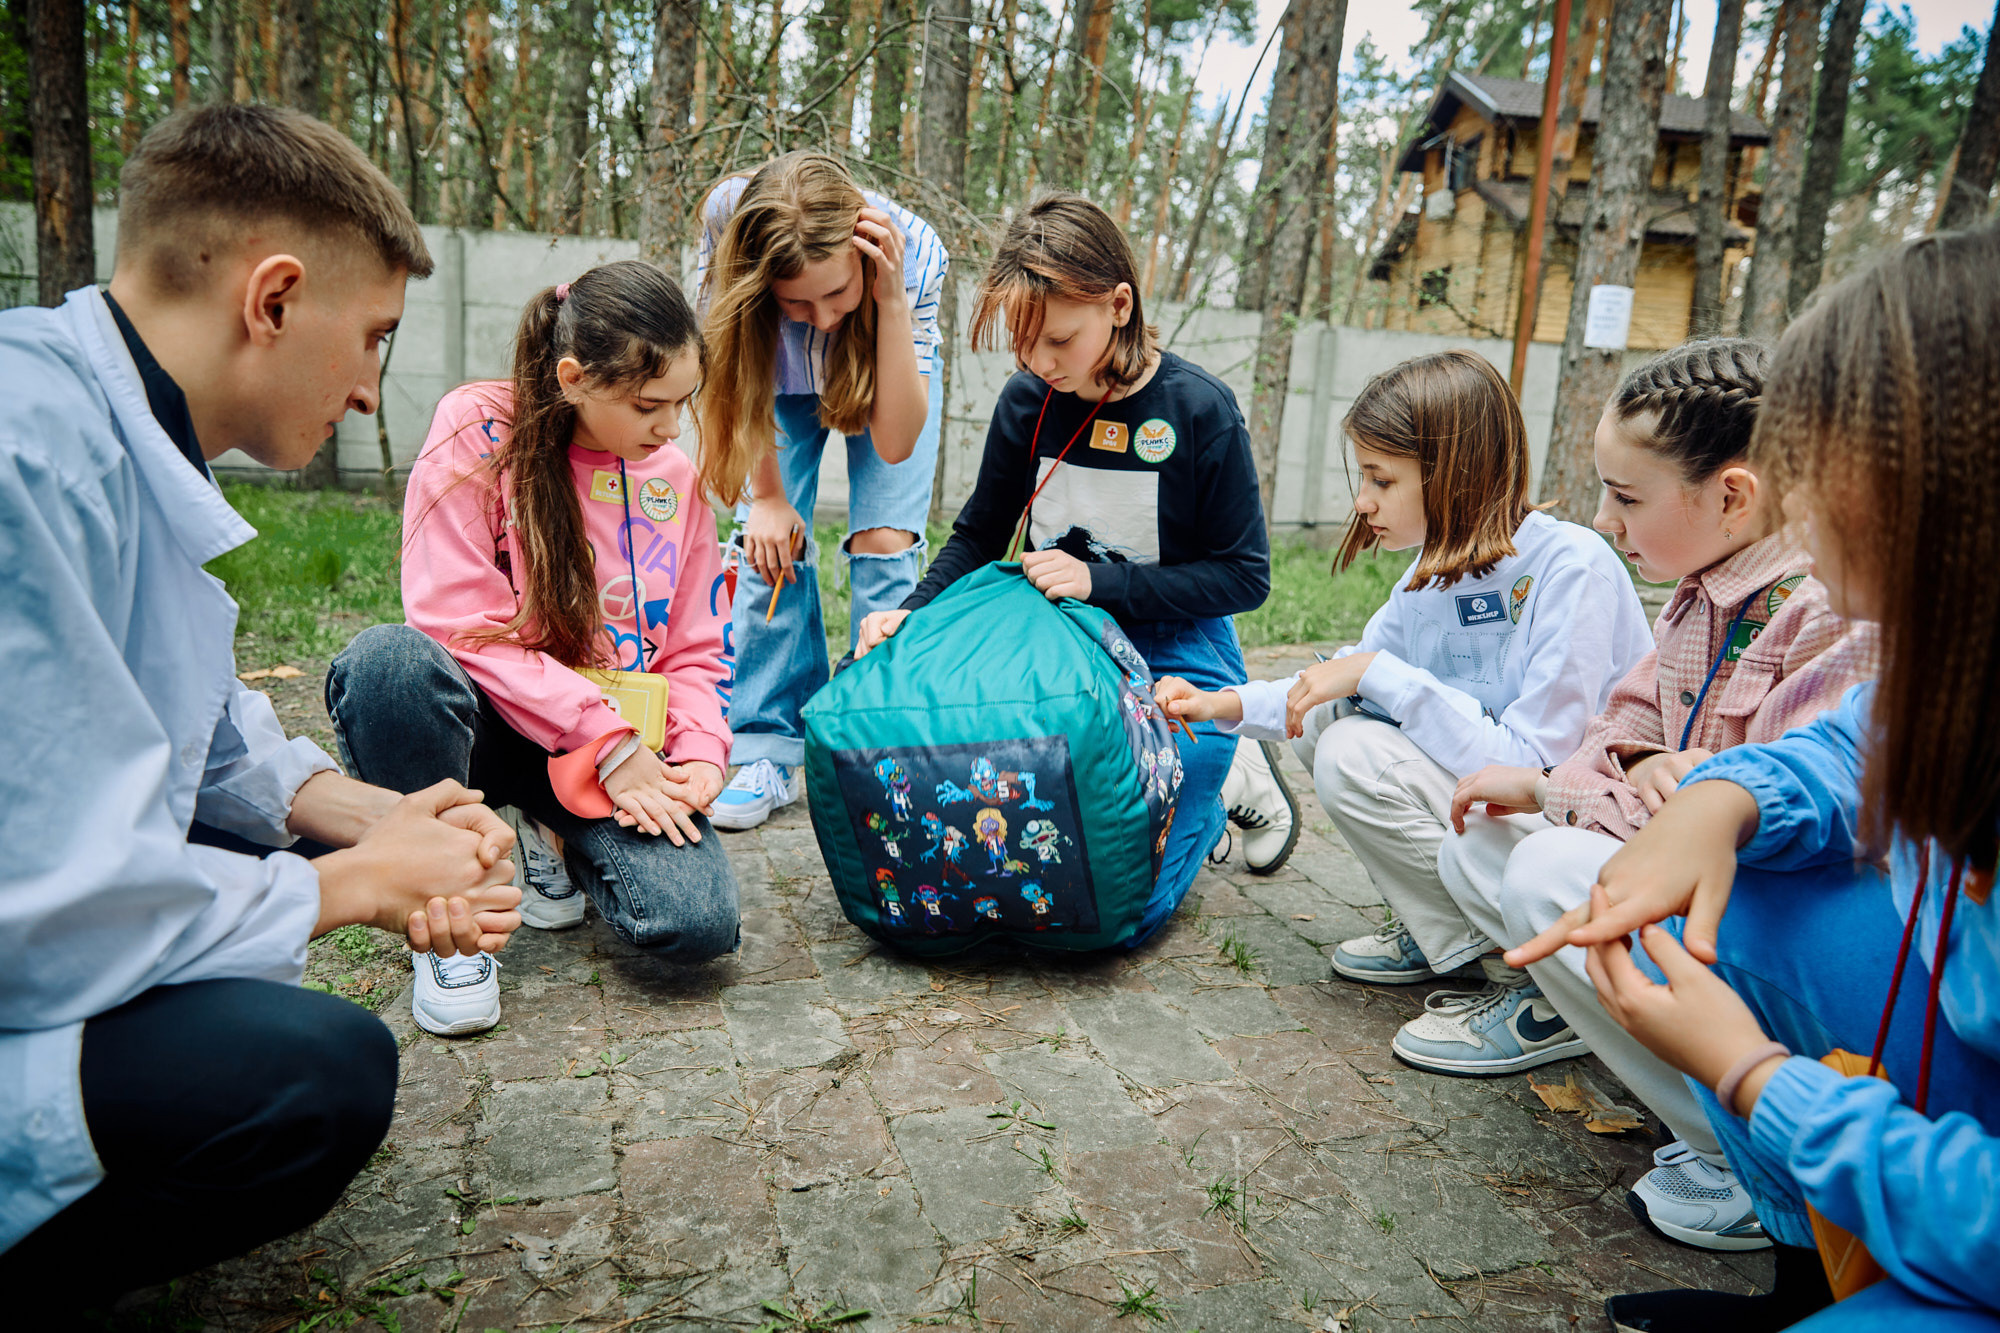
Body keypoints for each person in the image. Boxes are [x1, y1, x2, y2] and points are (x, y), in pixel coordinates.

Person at [0, 105, 522, 1303]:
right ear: (273, 299)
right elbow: (39, 915)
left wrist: (371, 816)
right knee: (310, 1078)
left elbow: (196, 718)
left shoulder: (111, 427)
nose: (365, 391)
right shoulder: (32, 455)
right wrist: (352, 888)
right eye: (373, 339)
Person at [1512, 227, 2000, 1333]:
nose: (1796, 511)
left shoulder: (1805, 608)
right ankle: (1801, 1279)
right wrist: (1722, 802)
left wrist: (1754, 1079)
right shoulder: (1952, 649)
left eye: (1817, 469)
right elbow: (1836, 753)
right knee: (1724, 894)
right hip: (1954, 1034)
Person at [1434, 340, 1876, 1253]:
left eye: (1627, 497)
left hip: (1757, 903)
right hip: (1673, 863)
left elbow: (1742, 819)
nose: (1603, 519)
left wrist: (1571, 796)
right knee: (1480, 844)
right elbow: (1618, 726)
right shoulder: (1694, 590)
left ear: (1733, 494)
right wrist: (1622, 768)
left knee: (1550, 867)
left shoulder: (1822, 609)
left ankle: (1751, 1158)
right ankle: (1678, 1100)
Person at [1156, 350, 1652, 1032]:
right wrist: (1220, 705)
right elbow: (1328, 682)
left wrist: (1379, 676)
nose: (1362, 501)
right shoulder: (1430, 578)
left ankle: (1551, 986)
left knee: (1353, 746)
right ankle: (1450, 931)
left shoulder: (1570, 568)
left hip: (1586, 832)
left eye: (1382, 479)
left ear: (1452, 475)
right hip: (1512, 821)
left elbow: (1537, 763)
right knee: (1331, 719)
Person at [328, 260, 738, 1038]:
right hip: (499, 727)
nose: (671, 426)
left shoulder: (672, 478)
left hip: (594, 749)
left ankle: (550, 832)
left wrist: (702, 754)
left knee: (699, 922)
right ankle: (444, 913)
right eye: (650, 404)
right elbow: (455, 621)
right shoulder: (478, 427)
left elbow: (695, 645)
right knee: (388, 664)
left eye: (684, 401)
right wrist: (609, 743)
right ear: (575, 378)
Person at [854, 189, 1269, 944]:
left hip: (1179, 655)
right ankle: (1207, 779)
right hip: (1058, 644)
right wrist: (909, 615)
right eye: (1024, 346)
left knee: (1119, 914)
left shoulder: (1200, 411)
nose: (1041, 365)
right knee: (1030, 862)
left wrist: (1100, 581)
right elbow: (980, 534)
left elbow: (1246, 576)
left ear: (1119, 304)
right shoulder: (1028, 401)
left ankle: (1224, 778)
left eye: (1059, 341)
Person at [694, 151, 947, 830]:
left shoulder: (915, 250)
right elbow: (729, 374)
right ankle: (766, 747)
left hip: (882, 363)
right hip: (767, 379)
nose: (824, 316)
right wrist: (769, 499)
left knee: (886, 545)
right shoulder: (729, 217)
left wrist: (887, 297)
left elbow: (895, 443)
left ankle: (880, 745)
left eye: (838, 292)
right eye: (798, 301)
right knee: (764, 543)